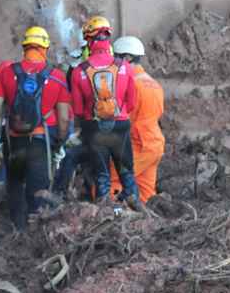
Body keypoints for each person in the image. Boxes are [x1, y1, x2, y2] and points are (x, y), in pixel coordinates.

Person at [0, 26, 71, 230]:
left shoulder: (6, 73)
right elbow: (63, 118)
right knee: (38, 192)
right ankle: (34, 236)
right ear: (46, 48)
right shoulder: (58, 76)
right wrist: (59, 142)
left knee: (15, 186)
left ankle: (17, 230)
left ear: (24, 47)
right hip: (40, 144)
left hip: (14, 141)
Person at [70, 16, 141, 209]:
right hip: (120, 124)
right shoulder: (124, 66)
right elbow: (132, 102)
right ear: (108, 37)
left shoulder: (79, 71)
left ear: (89, 40)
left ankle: (105, 215)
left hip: (94, 127)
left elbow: (76, 109)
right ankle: (137, 211)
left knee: (102, 176)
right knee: (126, 171)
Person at [108, 36, 165, 203]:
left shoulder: (130, 83)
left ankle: (115, 218)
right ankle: (148, 226)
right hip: (155, 144)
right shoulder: (153, 83)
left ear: (127, 58)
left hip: (139, 144)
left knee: (110, 182)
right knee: (146, 192)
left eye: (116, 57)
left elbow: (123, 119)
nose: (113, 63)